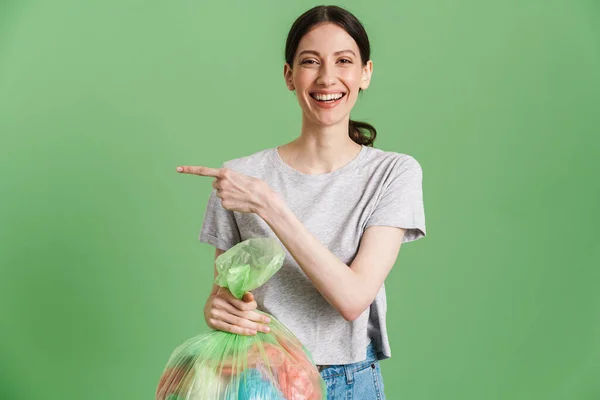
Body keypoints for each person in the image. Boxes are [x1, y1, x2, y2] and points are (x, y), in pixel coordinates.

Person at [176, 5, 427, 399]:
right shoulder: (241, 177)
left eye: (344, 61)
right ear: (290, 76)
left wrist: (270, 206)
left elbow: (353, 298)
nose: (328, 77)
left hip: (349, 382)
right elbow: (225, 293)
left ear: (365, 73)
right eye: (310, 62)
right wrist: (218, 309)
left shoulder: (394, 173)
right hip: (258, 382)